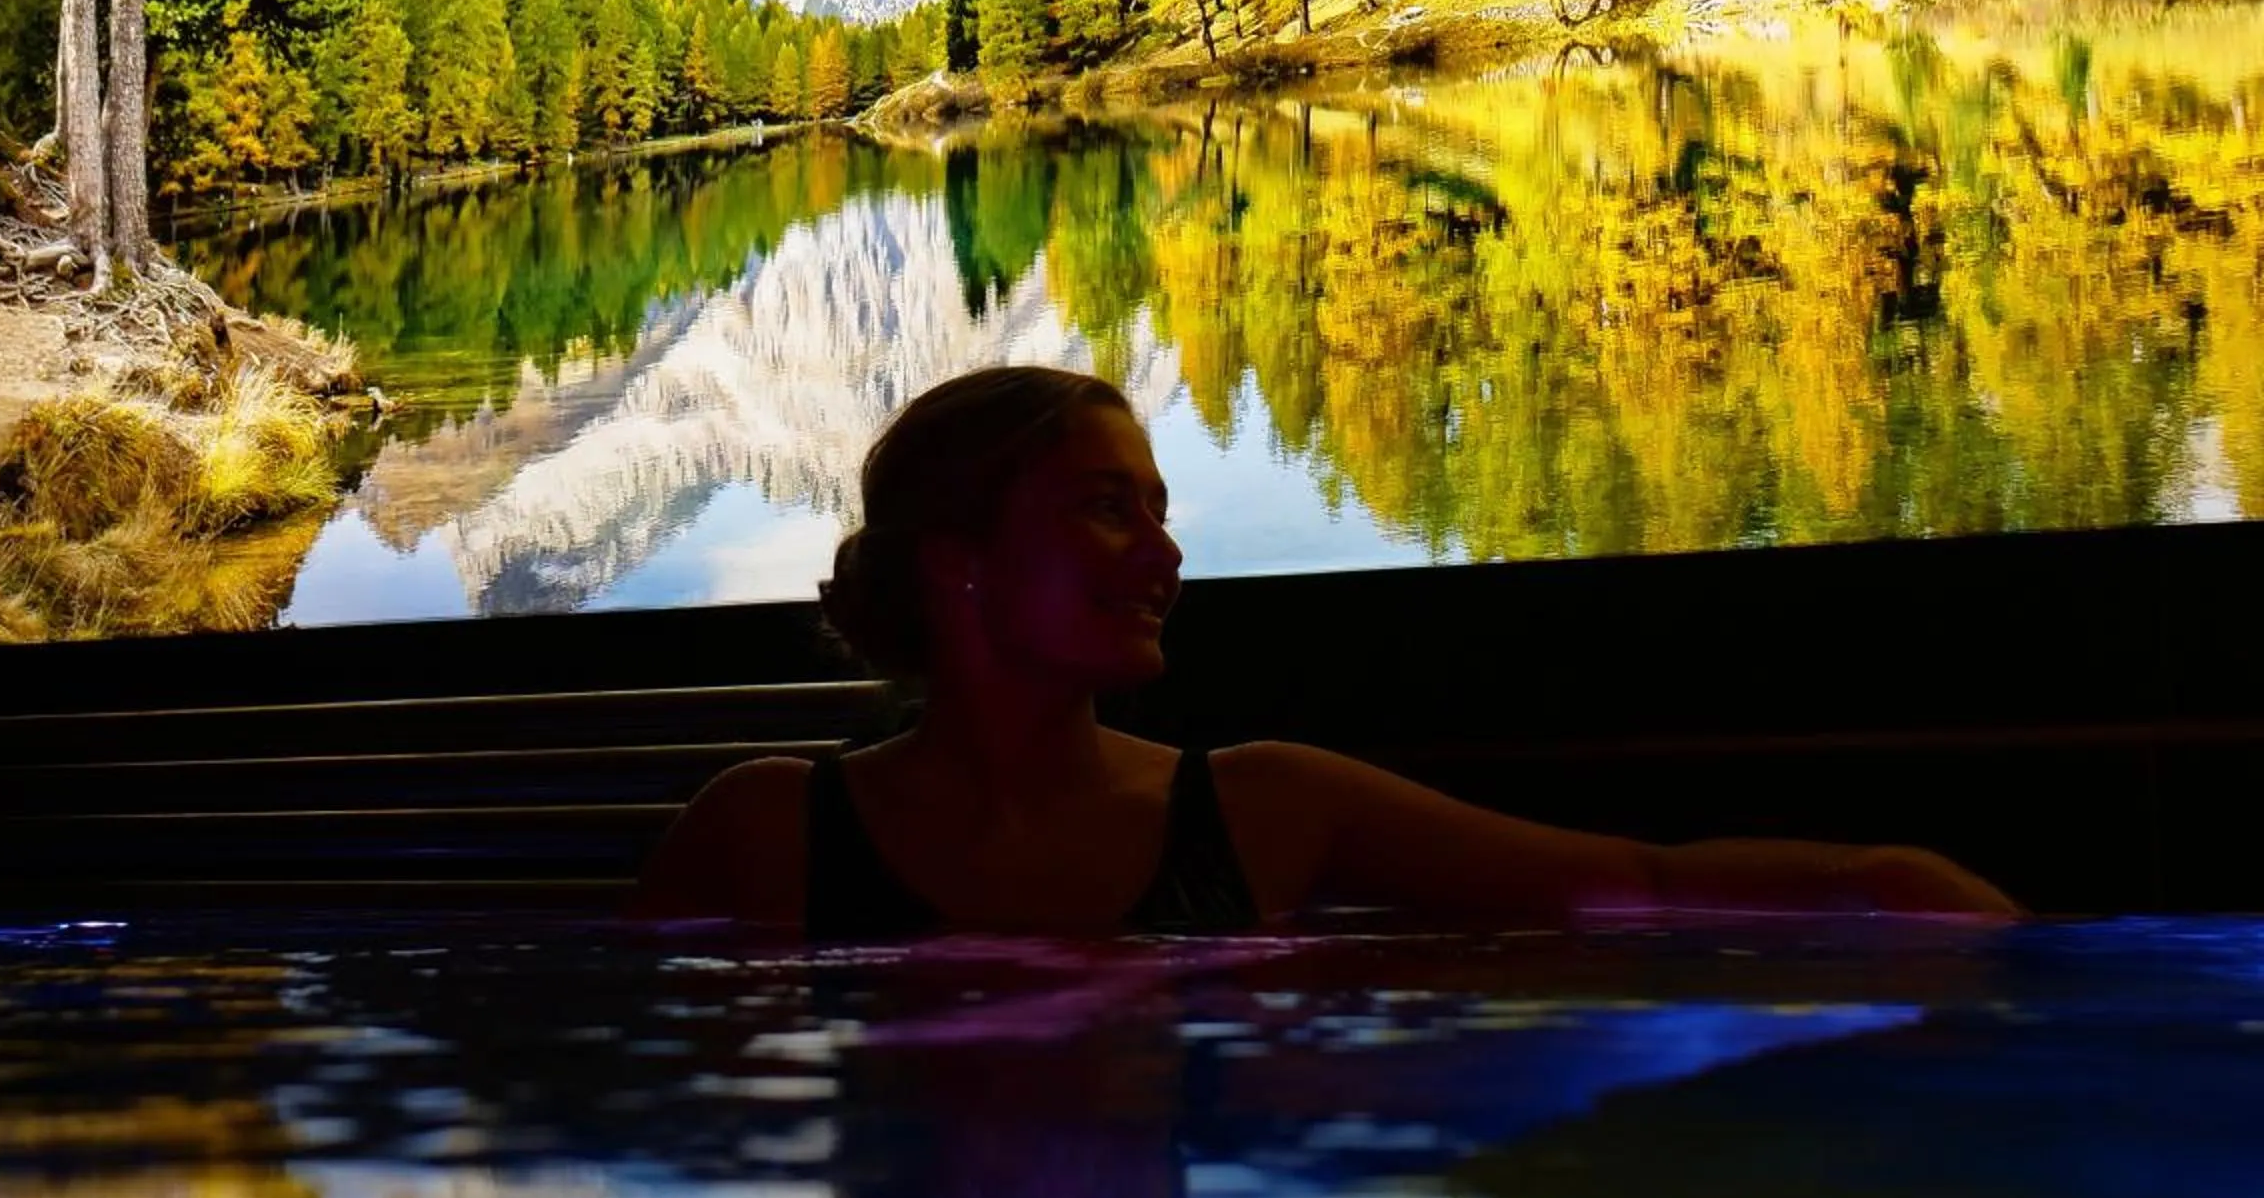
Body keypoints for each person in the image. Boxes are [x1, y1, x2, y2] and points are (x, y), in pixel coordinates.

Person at [635, 366, 2016, 938]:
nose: (1164, 559)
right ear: (961, 561)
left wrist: (1882, 886)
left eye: (1163, 513)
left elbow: (1631, 888)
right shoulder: (767, 833)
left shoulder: (1263, 810)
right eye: (1109, 511)